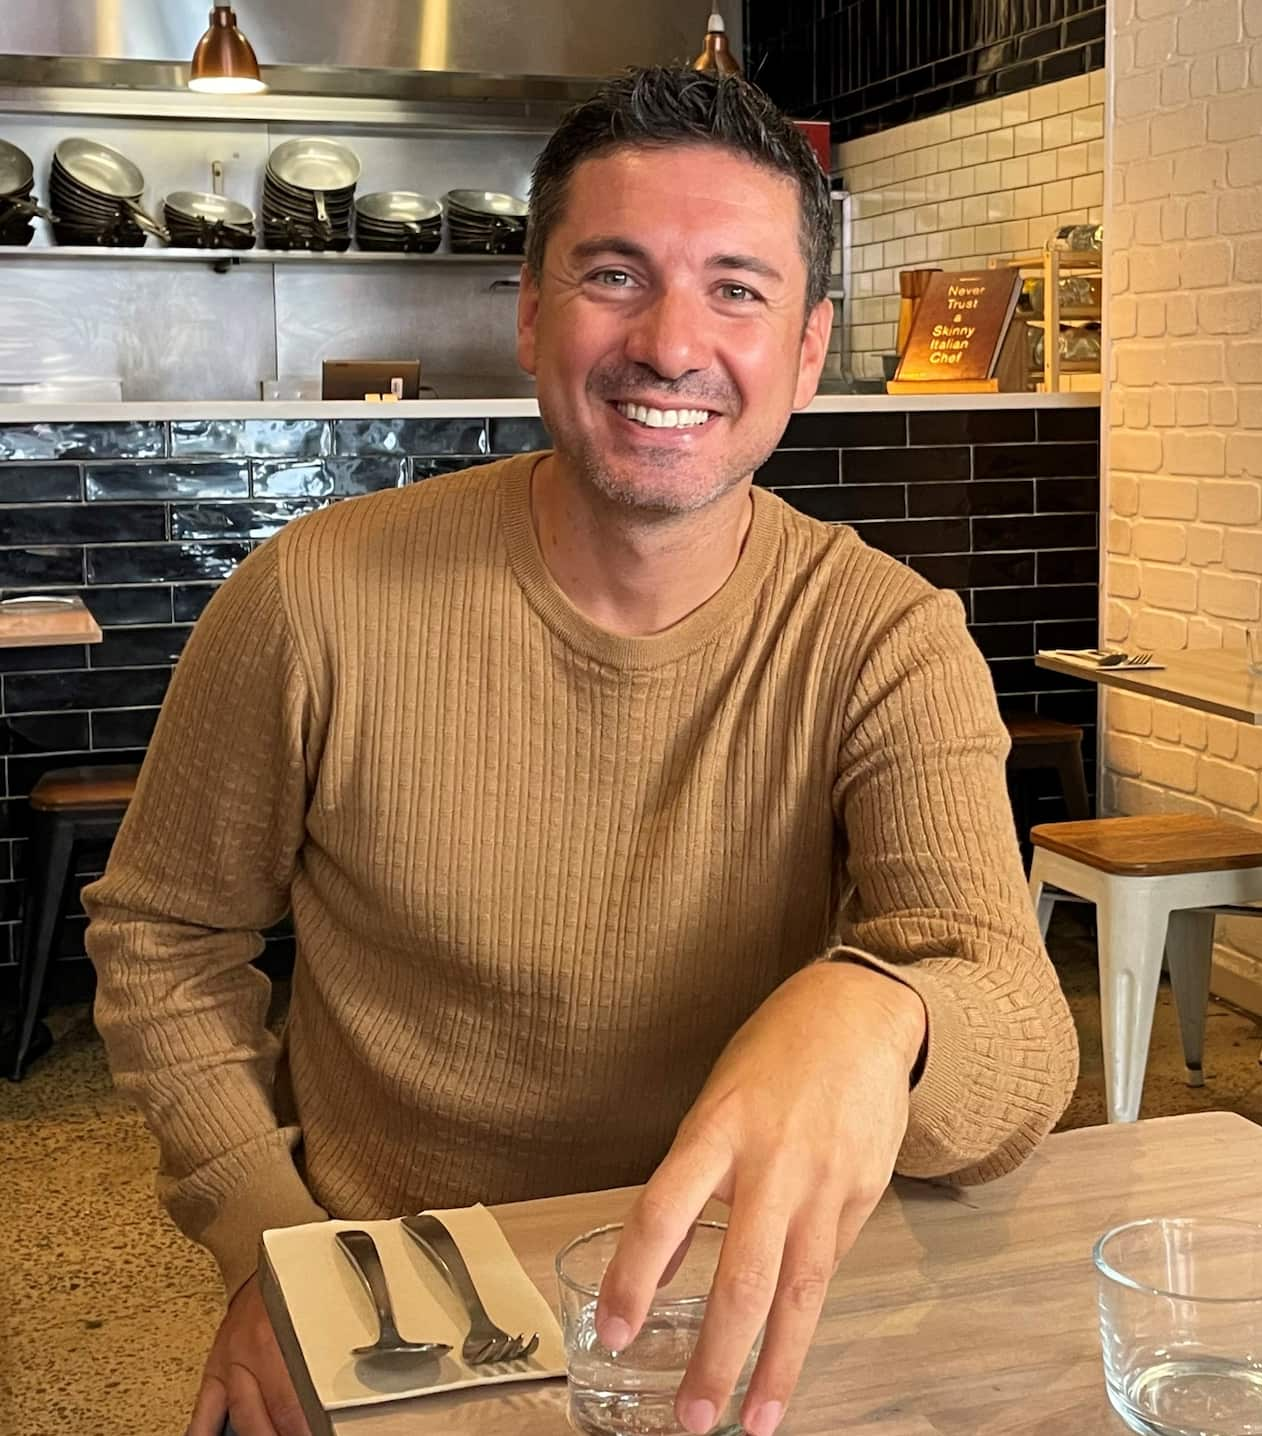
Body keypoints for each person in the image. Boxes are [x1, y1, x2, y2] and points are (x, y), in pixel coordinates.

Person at [84, 65, 1078, 1436]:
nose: (673, 344)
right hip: (396, 1304)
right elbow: (162, 935)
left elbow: (1019, 1051)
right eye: (617, 275)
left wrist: (883, 1013)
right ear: (533, 317)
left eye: (738, 288)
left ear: (806, 347)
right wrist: (273, 1242)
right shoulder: (313, 597)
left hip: (721, 1316)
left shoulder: (884, 636)